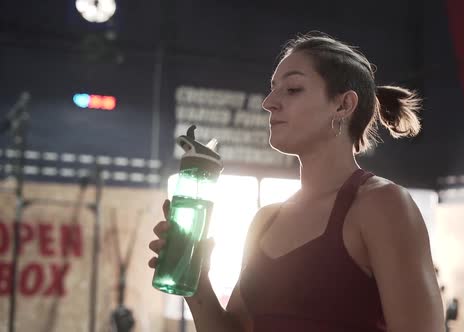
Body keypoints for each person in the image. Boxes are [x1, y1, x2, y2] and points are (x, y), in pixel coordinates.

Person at [148, 31, 445, 332]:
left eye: (291, 89)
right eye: (272, 89)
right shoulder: (266, 220)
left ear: (343, 105)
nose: (268, 102)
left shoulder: (382, 205)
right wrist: (197, 284)